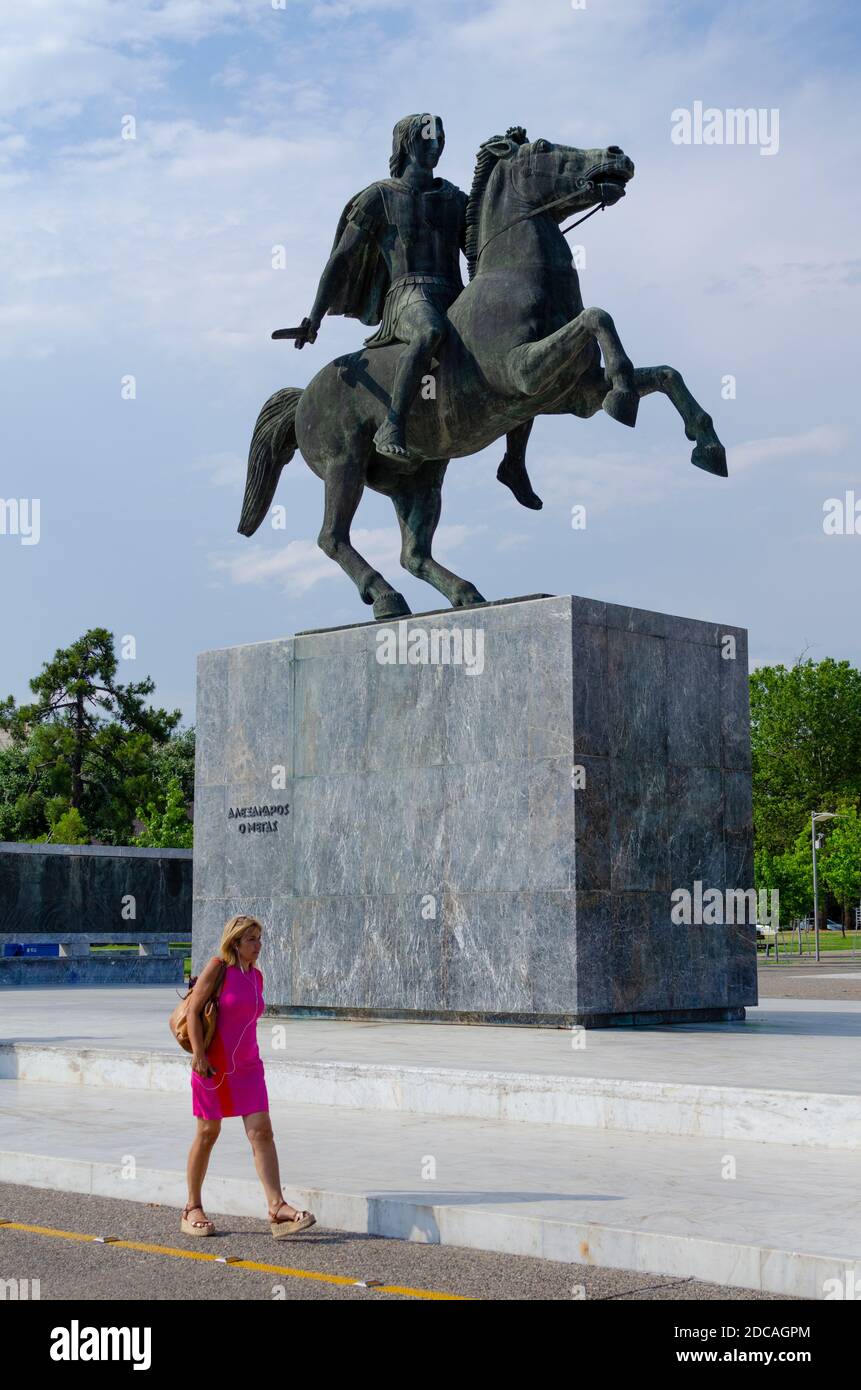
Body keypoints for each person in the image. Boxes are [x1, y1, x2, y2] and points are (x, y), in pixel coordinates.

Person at [294, 112, 542, 505]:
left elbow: (488, 236)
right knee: (429, 333)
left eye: (441, 137)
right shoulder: (379, 197)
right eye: (428, 137)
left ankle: (513, 461)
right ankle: (391, 426)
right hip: (408, 296)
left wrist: (513, 159)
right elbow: (341, 259)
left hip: (456, 295)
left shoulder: (454, 199)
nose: (436, 144)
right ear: (406, 144)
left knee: (516, 350)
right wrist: (314, 318)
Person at [181, 914, 315, 1239]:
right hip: (212, 1066)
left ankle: (277, 1207)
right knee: (208, 1133)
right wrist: (198, 1055)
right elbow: (194, 1011)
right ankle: (192, 1207)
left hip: (248, 1068)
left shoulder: (256, 977)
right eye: (252, 940)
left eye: (260, 939)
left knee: (262, 1134)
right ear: (235, 942)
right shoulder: (218, 968)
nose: (258, 946)